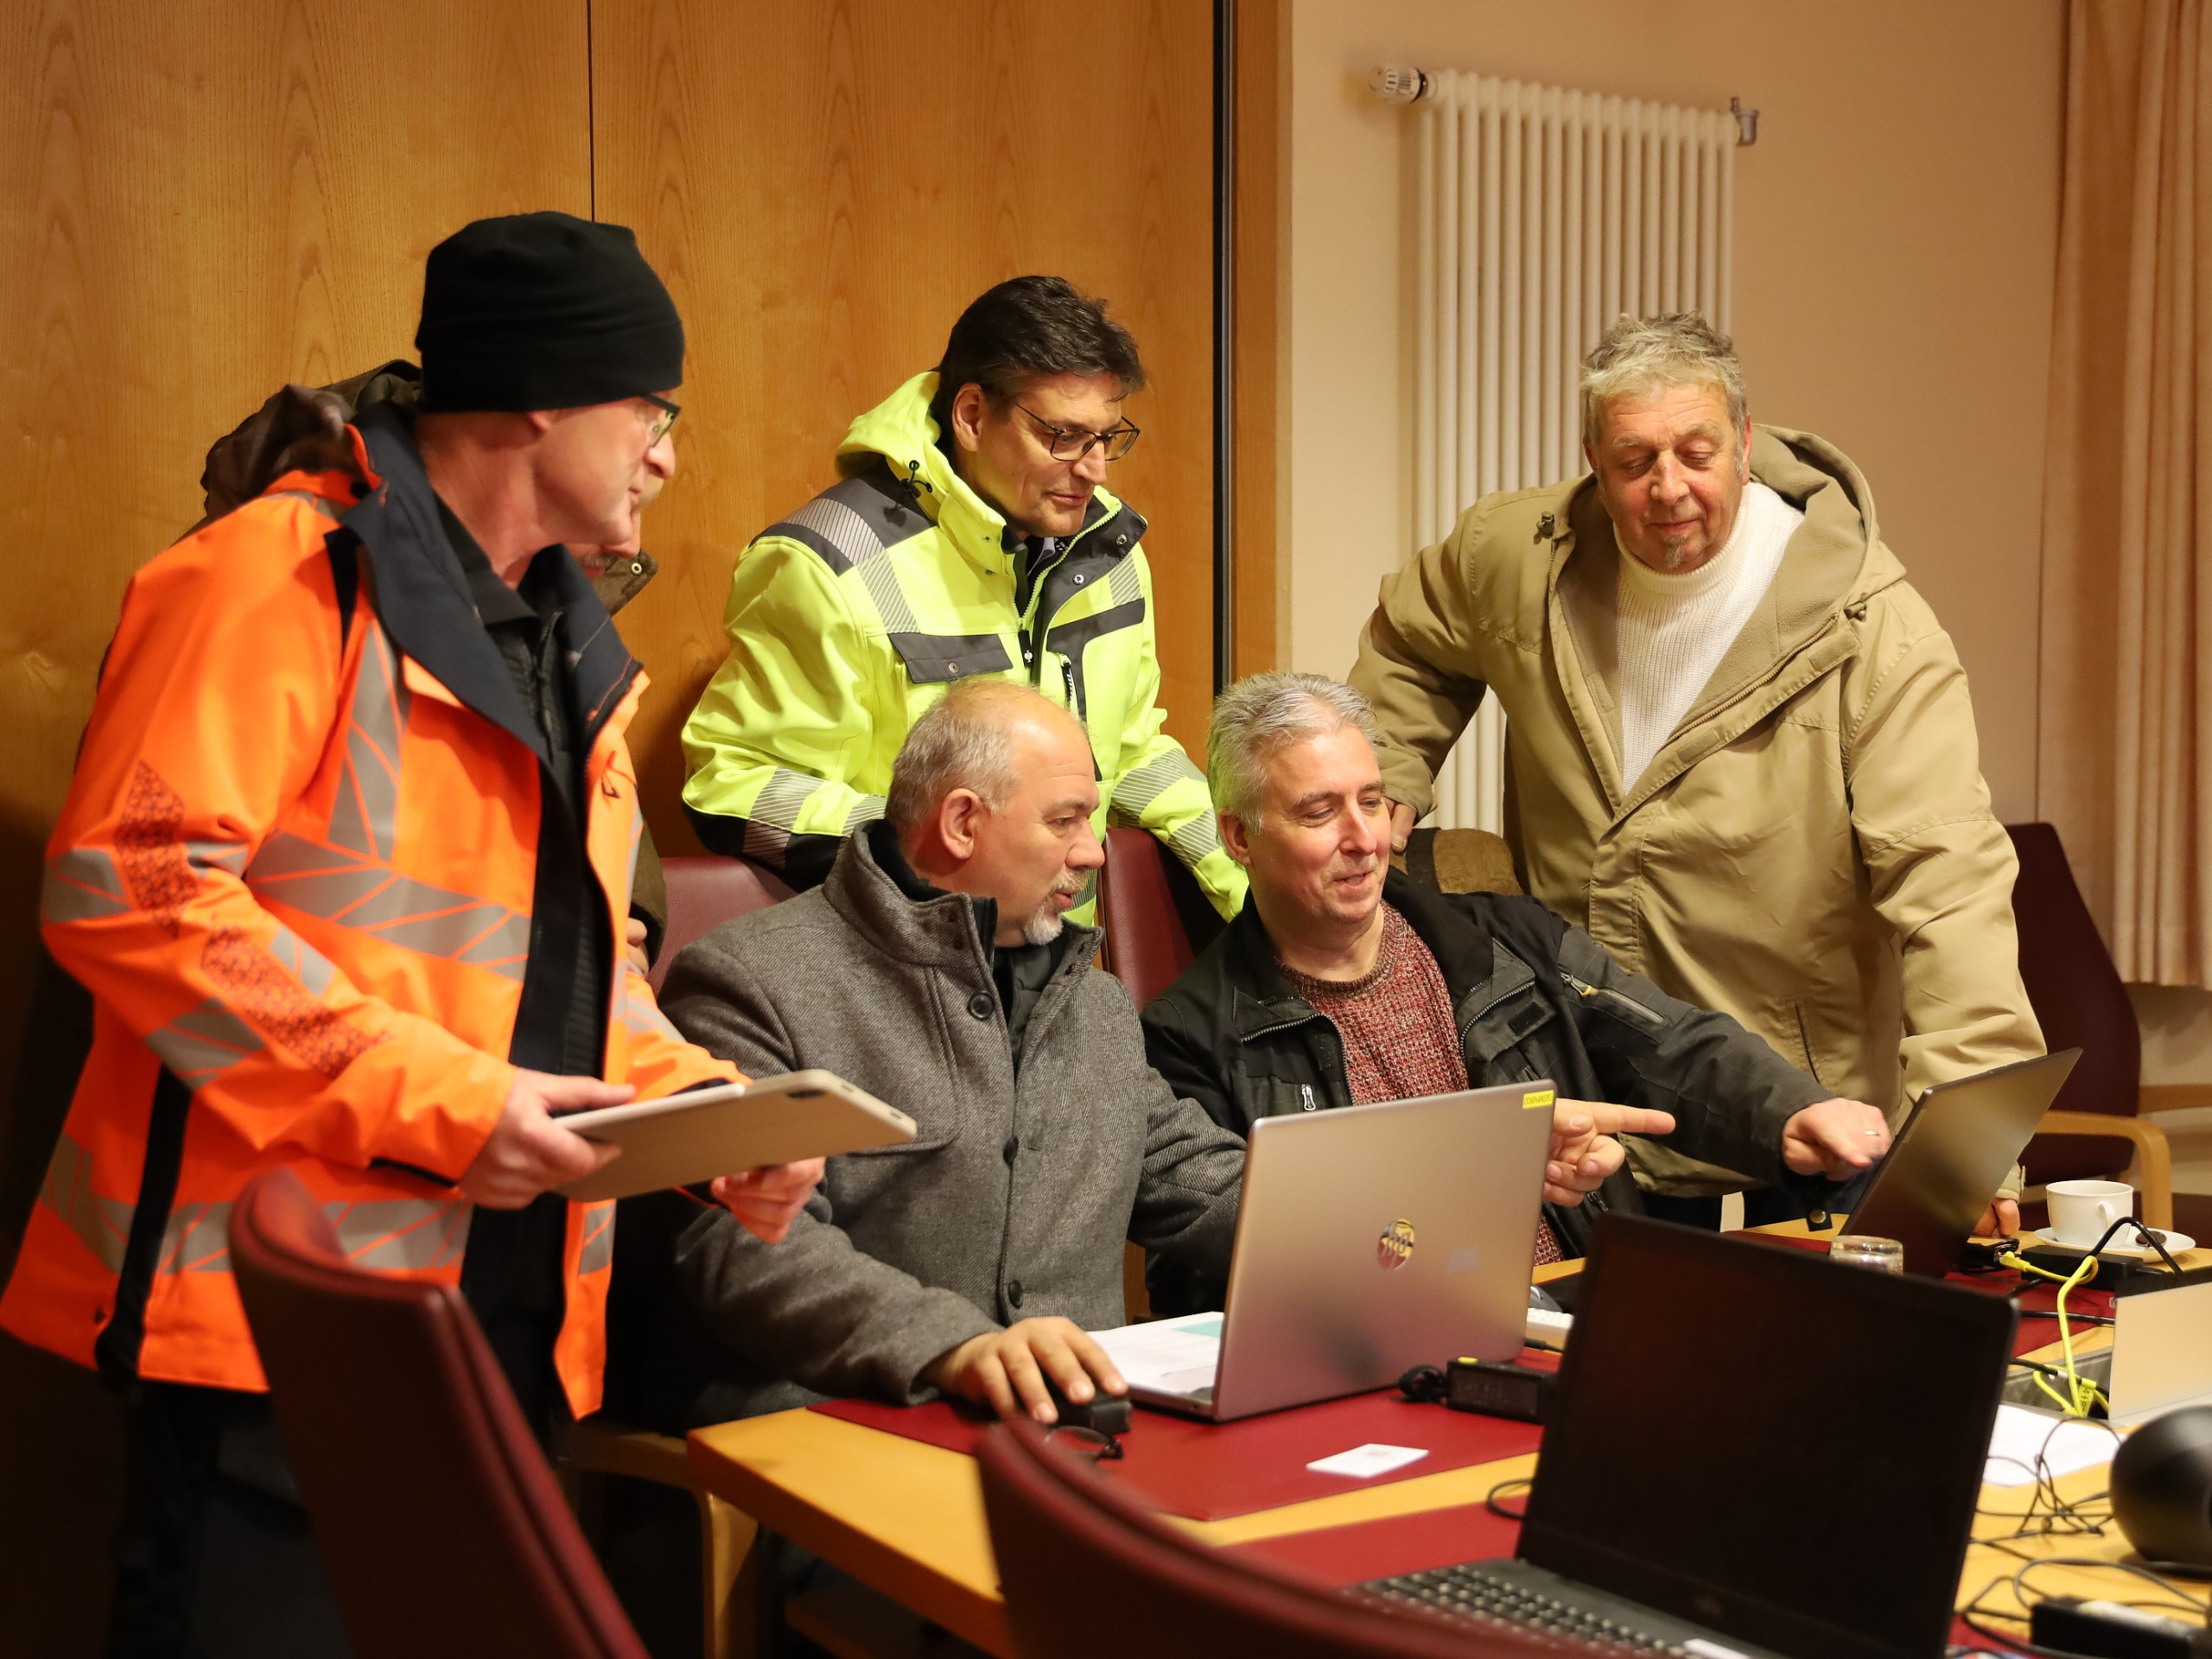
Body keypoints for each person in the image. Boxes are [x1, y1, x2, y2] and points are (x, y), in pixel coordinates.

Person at [0, 212, 819, 1657]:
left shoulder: (568, 641)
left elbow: (576, 976)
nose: (665, 457)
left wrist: (705, 1117)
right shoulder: (273, 574)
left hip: (496, 1322)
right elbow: (133, 883)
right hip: (271, 1318)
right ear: (545, 398)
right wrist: (446, 1106)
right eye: (654, 411)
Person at [662, 678, 1636, 1427]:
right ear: (961, 823)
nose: (1094, 852)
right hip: (857, 1429)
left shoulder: (1088, 1003)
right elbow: (740, 1248)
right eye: (1066, 821)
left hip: (1088, 1438)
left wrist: (1474, 1184)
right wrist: (950, 1346)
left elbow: (1211, 1179)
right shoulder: (754, 982)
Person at [1346, 315, 2042, 1231]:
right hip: (1594, 1075)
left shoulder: (1875, 632)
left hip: (1803, 1087)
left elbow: (1948, 883)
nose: (1668, 488)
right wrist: (1387, 767)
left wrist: (1966, 1148)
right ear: (1593, 462)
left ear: (1745, 444)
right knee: (1606, 1323)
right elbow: (1411, 643)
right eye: (1634, 461)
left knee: (1808, 1322)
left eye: (1697, 453)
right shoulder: (1514, 556)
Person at [1139, 672, 1896, 1313]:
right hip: (1391, 1346)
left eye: (1371, 801)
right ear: (1239, 837)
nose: (1364, 839)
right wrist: (1486, 1161)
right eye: (1318, 812)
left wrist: (1790, 1110)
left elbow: (1672, 1044)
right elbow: (1194, 1282)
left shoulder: (1507, 940)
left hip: (1587, 1308)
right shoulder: (1190, 1035)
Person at [678, 274, 1243, 924]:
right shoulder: (827, 563)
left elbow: (1133, 752)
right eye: (1063, 436)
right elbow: (733, 785)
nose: (1094, 470)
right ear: (972, 416)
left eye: (1105, 438)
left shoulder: (1107, 552)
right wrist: (943, 851)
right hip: (903, 952)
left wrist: (1262, 898)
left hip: (1060, 958)